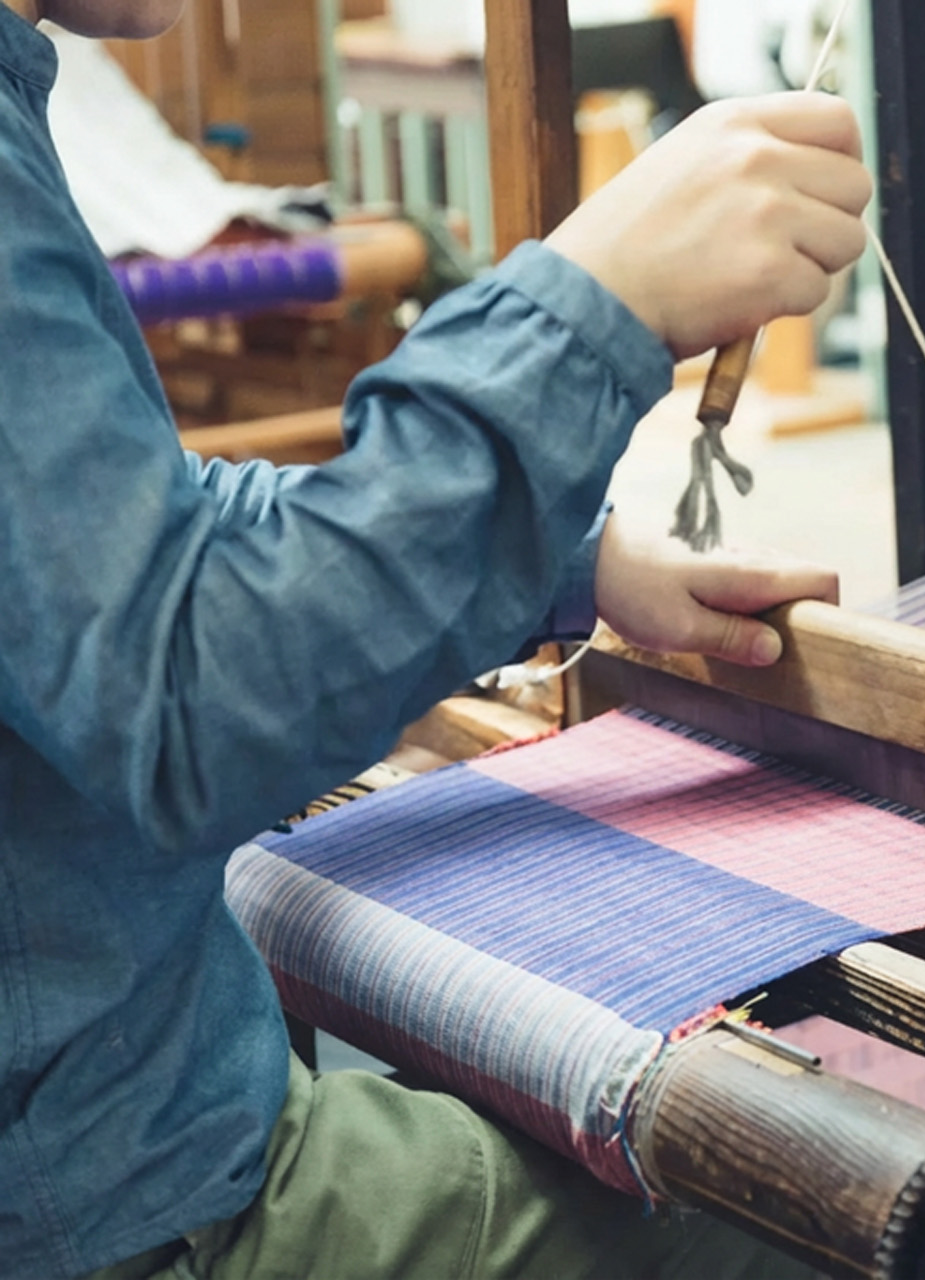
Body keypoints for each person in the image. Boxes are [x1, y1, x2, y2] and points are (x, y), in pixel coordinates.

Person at [0, 0, 872, 1271]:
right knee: (800, 1221)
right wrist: (597, 298)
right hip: (107, 1205)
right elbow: (191, 702)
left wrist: (571, 565)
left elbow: (125, 532)